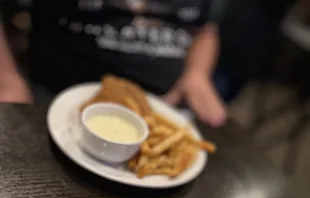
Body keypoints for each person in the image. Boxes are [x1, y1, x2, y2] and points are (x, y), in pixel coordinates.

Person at [0, 0, 245, 127]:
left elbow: (206, 29)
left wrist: (197, 73)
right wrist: (7, 78)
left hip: (166, 106)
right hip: (59, 95)